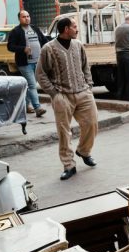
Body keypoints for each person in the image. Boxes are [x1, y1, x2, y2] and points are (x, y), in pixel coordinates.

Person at [36, 17, 98, 180]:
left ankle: (83, 151)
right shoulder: (48, 48)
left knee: (91, 123)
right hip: (62, 96)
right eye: (74, 26)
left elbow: (85, 66)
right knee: (64, 132)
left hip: (83, 92)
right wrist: (54, 94)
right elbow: (40, 74)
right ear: (65, 29)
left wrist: (89, 85)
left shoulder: (78, 45)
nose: (77, 29)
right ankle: (69, 165)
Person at [7, 10, 49, 117]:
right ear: (19, 19)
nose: (27, 18)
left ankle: (25, 106)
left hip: (38, 62)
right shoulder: (16, 31)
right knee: (32, 84)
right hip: (25, 63)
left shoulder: (34, 28)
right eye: (24, 17)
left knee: (30, 86)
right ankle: (37, 108)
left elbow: (44, 40)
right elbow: (10, 46)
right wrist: (23, 49)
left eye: (28, 16)